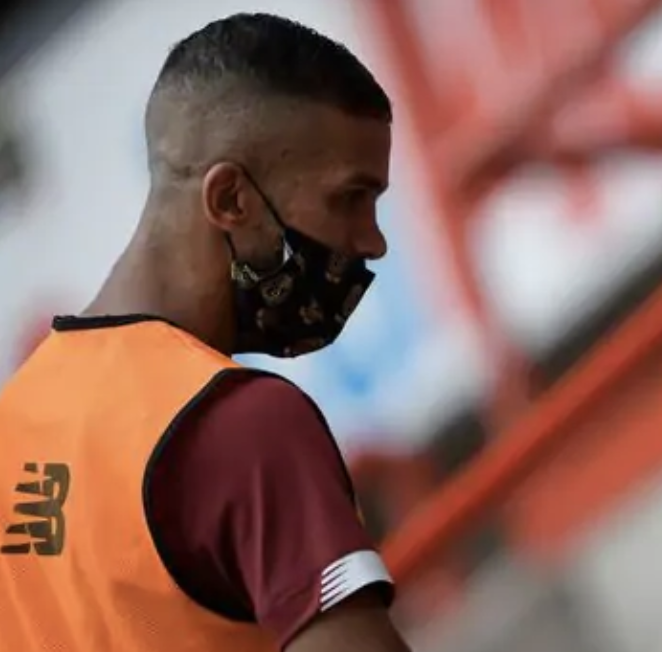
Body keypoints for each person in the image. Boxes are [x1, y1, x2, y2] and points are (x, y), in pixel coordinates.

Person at [0, 12, 410, 652]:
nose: (373, 241)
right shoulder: (240, 423)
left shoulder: (15, 425)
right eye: (350, 198)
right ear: (230, 200)